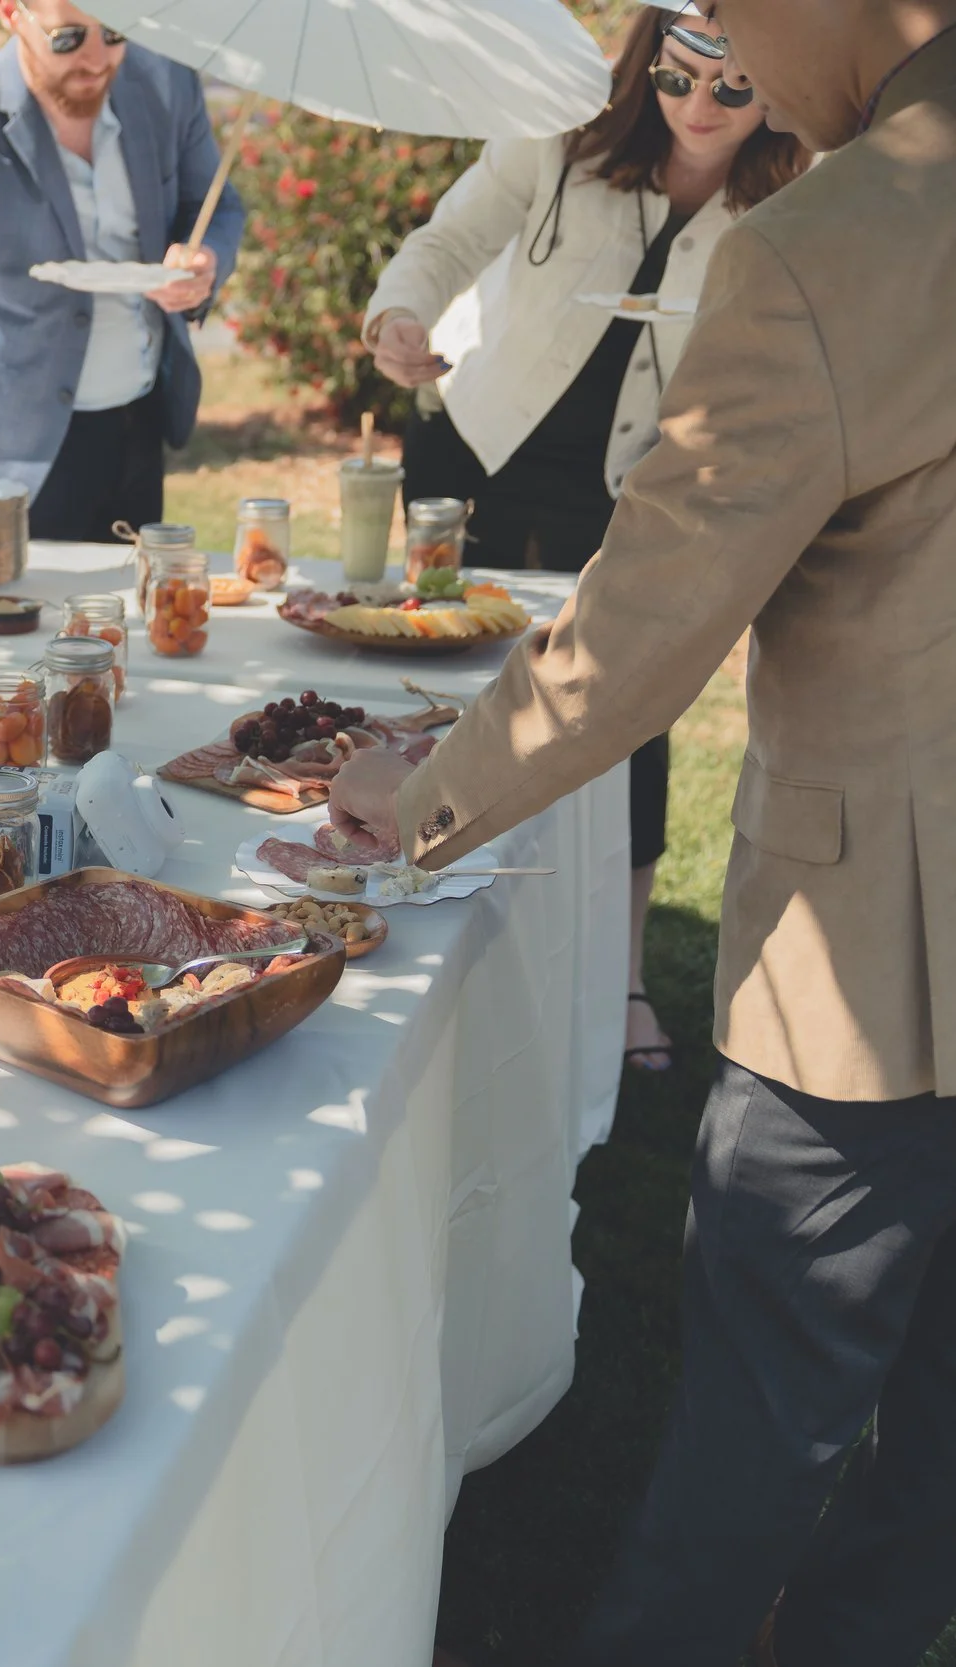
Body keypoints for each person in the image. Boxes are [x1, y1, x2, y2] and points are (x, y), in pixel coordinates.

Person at [329, 1, 956, 1660]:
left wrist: (427, 793)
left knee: (754, 1452)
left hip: (887, 977)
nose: (729, 45)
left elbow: (641, 632)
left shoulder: (843, 231)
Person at [362, 8, 809, 1073]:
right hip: (479, 441)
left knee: (624, 712)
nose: (699, 109)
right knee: (452, 678)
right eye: (676, 79)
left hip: (632, 485)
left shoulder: (792, 195)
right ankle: (423, 917)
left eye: (734, 91)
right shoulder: (559, 131)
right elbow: (456, 233)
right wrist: (399, 314)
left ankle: (621, 977)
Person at [0, 0, 243, 574]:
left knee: (134, 640)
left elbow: (213, 205)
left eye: (115, 33)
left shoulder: (167, 83)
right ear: (11, 14)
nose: (98, 60)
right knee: (17, 654)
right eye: (69, 39)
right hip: (10, 453)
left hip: (139, 421)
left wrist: (206, 259)